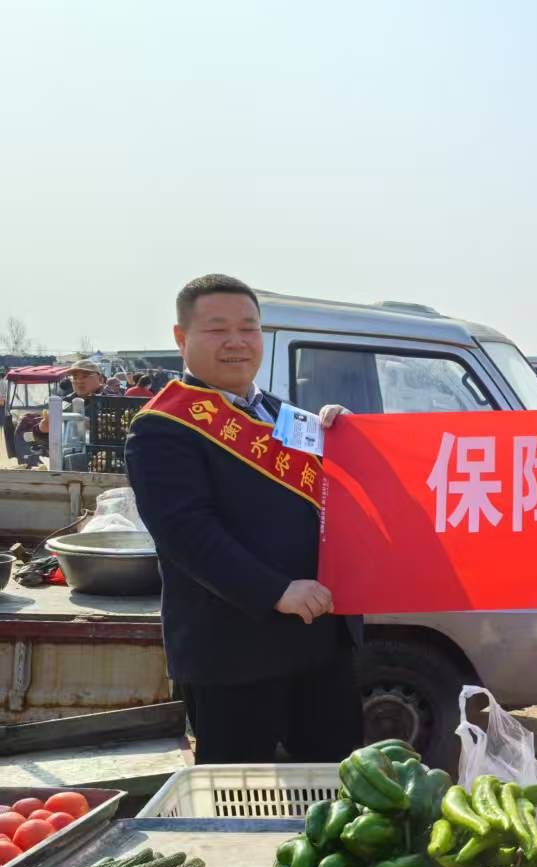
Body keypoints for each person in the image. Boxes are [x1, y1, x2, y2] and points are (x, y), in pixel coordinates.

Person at [125, 274, 363, 763]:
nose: (237, 341)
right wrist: (275, 591)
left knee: (332, 786)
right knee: (237, 795)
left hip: (320, 643)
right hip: (233, 653)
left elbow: (331, 502)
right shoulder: (161, 427)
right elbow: (186, 534)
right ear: (181, 338)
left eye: (249, 328)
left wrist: (345, 438)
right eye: (217, 329)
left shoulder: (285, 414)